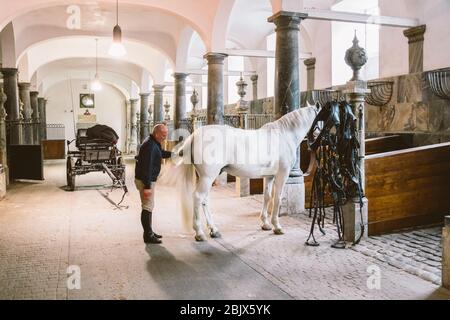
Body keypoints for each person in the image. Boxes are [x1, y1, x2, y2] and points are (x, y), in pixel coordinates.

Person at [135, 124, 172, 244]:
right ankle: (148, 235)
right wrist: (147, 187)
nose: (165, 137)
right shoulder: (150, 146)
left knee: (149, 206)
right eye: (163, 135)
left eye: (166, 135)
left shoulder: (153, 142)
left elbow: (160, 153)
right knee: (147, 207)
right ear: (156, 133)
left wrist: (174, 154)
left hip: (147, 179)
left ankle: (149, 231)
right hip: (146, 180)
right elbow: (147, 168)